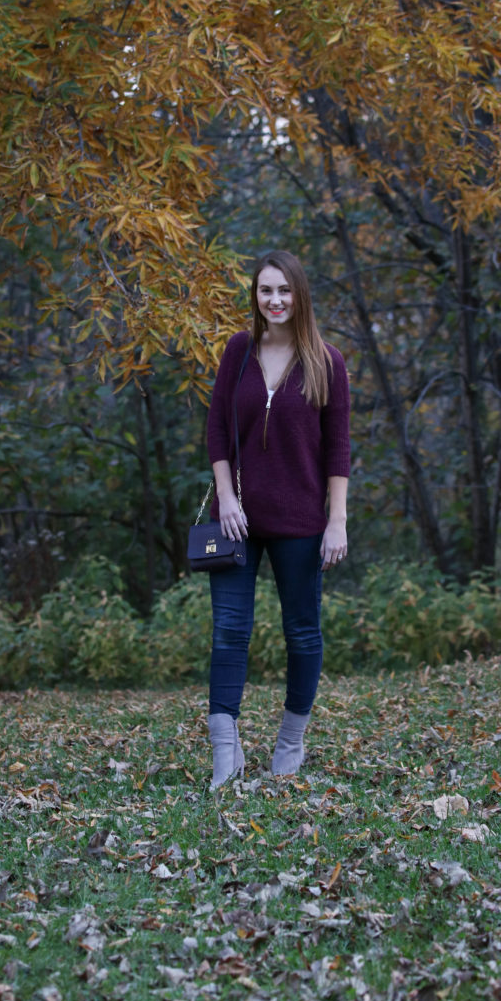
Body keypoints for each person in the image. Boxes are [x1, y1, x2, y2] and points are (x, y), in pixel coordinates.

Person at [205, 249, 350, 788]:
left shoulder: (326, 361)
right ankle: (226, 753)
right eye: (266, 290)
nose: (275, 300)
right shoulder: (238, 351)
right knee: (228, 634)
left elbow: (337, 449)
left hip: (302, 522)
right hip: (236, 522)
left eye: (285, 290)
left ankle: (290, 741)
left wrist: (336, 520)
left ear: (300, 295)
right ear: (256, 296)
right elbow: (218, 430)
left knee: (303, 635)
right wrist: (226, 498)